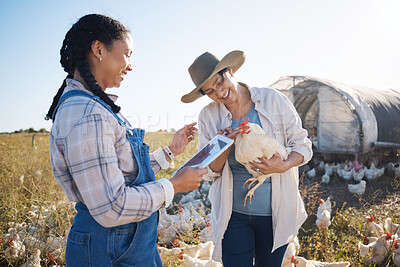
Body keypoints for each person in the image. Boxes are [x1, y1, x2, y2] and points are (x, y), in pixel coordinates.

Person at [45, 14, 207, 266]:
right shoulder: (88, 114)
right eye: (127, 54)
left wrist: (170, 152)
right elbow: (112, 207)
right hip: (109, 247)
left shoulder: (92, 107)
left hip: (122, 243)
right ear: (98, 49)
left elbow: (120, 175)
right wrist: (173, 186)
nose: (130, 65)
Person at [181, 50, 313, 266]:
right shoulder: (208, 116)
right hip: (233, 215)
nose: (220, 92)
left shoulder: (273, 101)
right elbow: (211, 171)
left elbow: (303, 145)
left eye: (219, 81)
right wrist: (223, 145)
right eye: (210, 91)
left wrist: (284, 165)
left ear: (229, 71)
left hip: (274, 214)